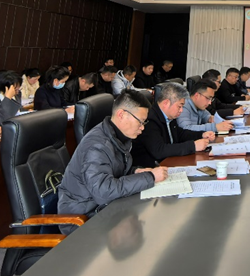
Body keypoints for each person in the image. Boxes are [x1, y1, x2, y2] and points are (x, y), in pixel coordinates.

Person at [57, 90, 168, 233]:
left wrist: (136, 171)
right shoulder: (96, 146)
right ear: (121, 114)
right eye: (140, 122)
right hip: (83, 218)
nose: (142, 127)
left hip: (102, 207)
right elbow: (103, 192)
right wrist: (150, 177)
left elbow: (114, 170)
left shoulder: (116, 137)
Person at [131, 83, 212, 168]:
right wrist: (193, 146)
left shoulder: (169, 116)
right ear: (166, 103)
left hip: (169, 162)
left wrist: (201, 134)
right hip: (150, 168)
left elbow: (180, 134)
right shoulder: (150, 120)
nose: (181, 110)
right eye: (179, 106)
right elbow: (159, 150)